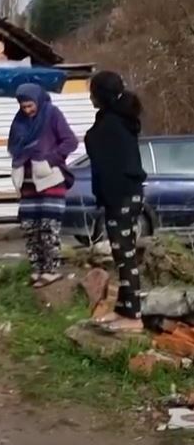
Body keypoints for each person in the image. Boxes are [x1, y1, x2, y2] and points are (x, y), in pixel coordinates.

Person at [85, 71, 149, 332]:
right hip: (126, 194)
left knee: (124, 255)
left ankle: (133, 316)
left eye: (92, 92)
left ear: (102, 94)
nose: (90, 96)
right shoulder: (117, 119)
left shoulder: (112, 123)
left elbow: (110, 165)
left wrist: (107, 199)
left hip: (121, 195)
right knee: (122, 253)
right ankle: (124, 308)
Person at [8, 83, 78, 287]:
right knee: (30, 228)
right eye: (23, 107)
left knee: (48, 228)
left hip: (50, 181)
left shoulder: (52, 115)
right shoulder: (19, 121)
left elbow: (70, 142)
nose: (28, 111)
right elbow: (13, 145)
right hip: (28, 184)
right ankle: (37, 269)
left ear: (38, 101)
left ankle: (52, 270)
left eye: (30, 106)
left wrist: (49, 159)